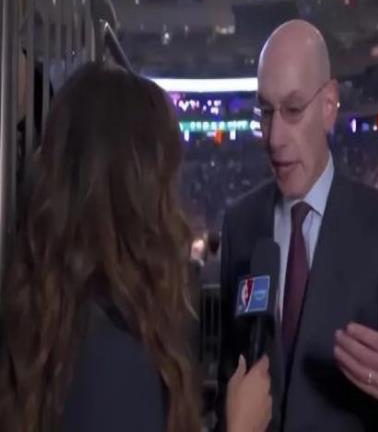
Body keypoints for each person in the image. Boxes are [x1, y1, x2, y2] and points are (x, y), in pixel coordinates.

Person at [0, 63, 271, 432]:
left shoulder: (60, 318)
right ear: (137, 195)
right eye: (166, 181)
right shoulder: (112, 355)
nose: (175, 204)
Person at [216, 20, 378, 432]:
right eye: (265, 111)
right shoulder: (240, 225)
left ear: (329, 105)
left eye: (293, 110)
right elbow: (228, 379)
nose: (274, 137)